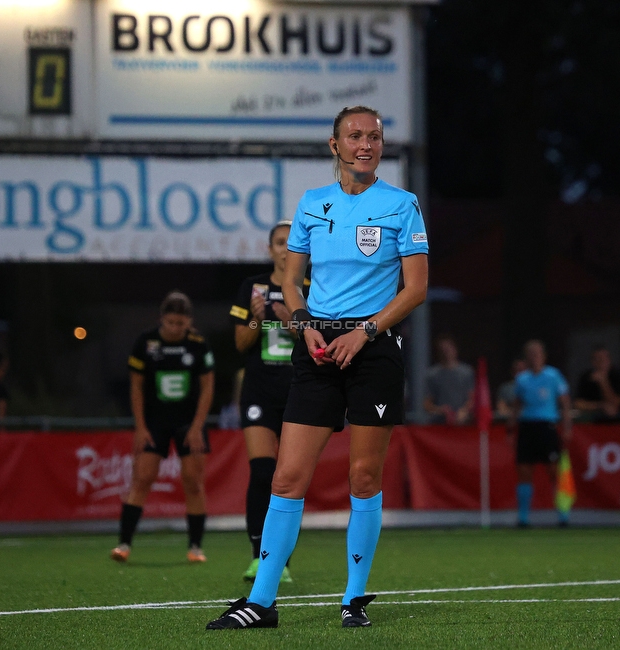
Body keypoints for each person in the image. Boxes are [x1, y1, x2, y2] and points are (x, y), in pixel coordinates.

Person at [207, 105, 429, 630]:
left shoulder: (402, 205)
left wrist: (367, 331)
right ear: (335, 146)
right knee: (285, 478)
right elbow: (289, 280)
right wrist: (303, 322)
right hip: (318, 347)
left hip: (373, 347)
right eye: (355, 136)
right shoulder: (312, 205)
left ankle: (354, 597)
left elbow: (415, 289)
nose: (366, 144)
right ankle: (260, 603)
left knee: (363, 475)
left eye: (374, 136)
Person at [112, 291, 215, 564]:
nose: (175, 329)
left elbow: (207, 387)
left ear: (189, 322)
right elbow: (135, 386)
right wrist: (140, 426)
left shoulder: (198, 344)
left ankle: (195, 546)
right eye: (170, 323)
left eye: (180, 324)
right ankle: (124, 544)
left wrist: (197, 427)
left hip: (188, 422)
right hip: (155, 421)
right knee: (142, 477)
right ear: (162, 320)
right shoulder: (146, 342)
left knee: (193, 481)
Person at [229, 220, 302, 583]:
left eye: (291, 242)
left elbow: (321, 342)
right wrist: (257, 321)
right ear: (270, 248)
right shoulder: (252, 287)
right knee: (261, 472)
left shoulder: (310, 288)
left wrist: (294, 323)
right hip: (259, 390)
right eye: (278, 242)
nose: (285, 248)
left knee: (289, 477)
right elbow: (240, 345)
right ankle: (258, 555)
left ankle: (282, 561)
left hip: (300, 391)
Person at [507, 340, 573, 528]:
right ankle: (523, 518)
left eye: (537, 353)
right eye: (530, 354)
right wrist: (511, 429)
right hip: (527, 427)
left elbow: (565, 402)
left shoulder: (553, 376)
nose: (534, 357)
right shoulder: (522, 379)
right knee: (524, 471)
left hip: (547, 426)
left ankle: (563, 516)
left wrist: (567, 427)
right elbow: (517, 406)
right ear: (526, 357)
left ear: (543, 356)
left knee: (554, 471)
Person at [423, 334, 474, 425]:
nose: (446, 353)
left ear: (455, 349)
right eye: (443, 350)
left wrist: (464, 411)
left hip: (463, 423)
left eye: (448, 349)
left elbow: (472, 398)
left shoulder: (467, 372)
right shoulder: (432, 375)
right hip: (440, 423)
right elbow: (427, 404)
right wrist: (440, 410)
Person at [574, 346, 620, 419]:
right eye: (597, 359)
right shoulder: (586, 377)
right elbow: (578, 404)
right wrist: (601, 406)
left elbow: (615, 404)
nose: (600, 362)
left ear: (609, 360)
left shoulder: (618, 376)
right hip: (594, 422)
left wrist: (603, 382)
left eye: (603, 359)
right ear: (592, 361)